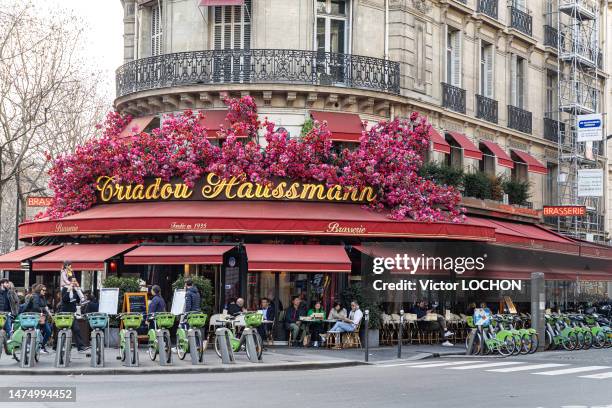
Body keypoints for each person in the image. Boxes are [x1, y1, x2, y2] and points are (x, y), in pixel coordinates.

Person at [61, 277, 87, 352]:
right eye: (73, 281)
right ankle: (57, 346)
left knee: (76, 329)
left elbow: (80, 300)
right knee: (62, 330)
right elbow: (65, 299)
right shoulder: (65, 289)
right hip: (65, 313)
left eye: (75, 281)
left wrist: (78, 288)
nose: (74, 282)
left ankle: (81, 347)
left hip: (72, 313)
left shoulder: (75, 290)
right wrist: (69, 288)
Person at [26, 284, 52, 354]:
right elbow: (35, 307)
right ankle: (32, 346)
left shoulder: (42, 297)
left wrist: (48, 311)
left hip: (42, 318)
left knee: (48, 331)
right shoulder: (35, 296)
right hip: (35, 317)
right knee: (36, 331)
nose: (44, 292)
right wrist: (44, 309)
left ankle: (41, 346)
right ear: (39, 290)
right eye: (43, 290)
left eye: (45, 290)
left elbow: (45, 306)